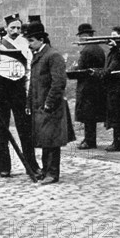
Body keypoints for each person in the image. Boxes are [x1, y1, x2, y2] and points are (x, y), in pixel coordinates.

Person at [0, 13, 40, 178]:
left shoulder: (26, 44)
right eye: (12, 27)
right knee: (2, 130)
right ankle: (4, 167)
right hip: (1, 89)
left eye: (18, 28)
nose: (15, 30)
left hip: (19, 88)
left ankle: (31, 165)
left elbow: (29, 69)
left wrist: (29, 92)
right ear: (6, 28)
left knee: (25, 129)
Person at [26, 21, 71, 185]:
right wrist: (29, 102)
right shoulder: (39, 55)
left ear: (40, 39)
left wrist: (49, 104)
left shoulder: (53, 56)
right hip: (39, 106)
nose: (29, 45)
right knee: (45, 140)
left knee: (52, 141)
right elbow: (33, 83)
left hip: (51, 107)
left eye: (31, 41)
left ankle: (52, 173)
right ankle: (45, 171)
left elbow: (58, 83)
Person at [73, 23, 106, 150]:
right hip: (97, 86)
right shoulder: (98, 48)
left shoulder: (87, 50)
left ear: (86, 36)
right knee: (91, 115)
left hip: (87, 86)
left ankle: (89, 141)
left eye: (81, 36)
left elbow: (81, 68)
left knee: (88, 116)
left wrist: (73, 70)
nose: (80, 38)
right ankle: (89, 139)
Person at [100, 26, 120, 152]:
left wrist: (102, 73)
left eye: (114, 36)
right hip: (113, 88)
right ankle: (117, 141)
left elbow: (113, 68)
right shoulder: (116, 51)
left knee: (119, 117)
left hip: (119, 88)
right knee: (115, 115)